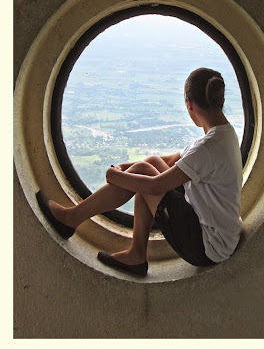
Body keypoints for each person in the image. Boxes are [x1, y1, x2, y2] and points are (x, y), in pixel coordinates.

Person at [36, 68, 243, 276]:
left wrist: (114, 176)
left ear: (189, 103)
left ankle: (71, 218)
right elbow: (170, 161)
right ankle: (135, 253)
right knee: (150, 164)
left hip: (206, 246)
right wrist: (127, 168)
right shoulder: (223, 135)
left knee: (145, 174)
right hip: (217, 232)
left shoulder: (207, 148)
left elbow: (155, 186)